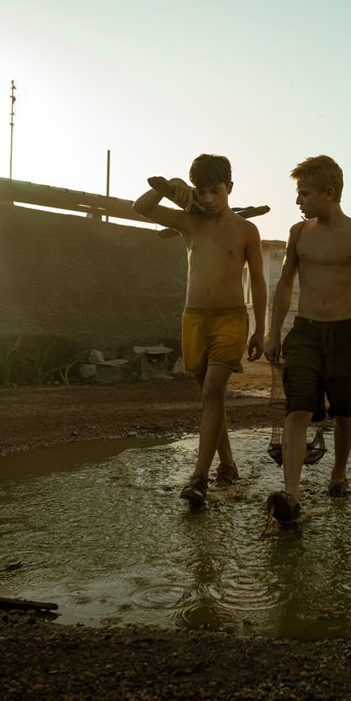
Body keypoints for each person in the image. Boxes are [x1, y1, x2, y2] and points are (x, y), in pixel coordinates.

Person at [263, 154, 351, 523]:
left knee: (344, 412)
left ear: (330, 192)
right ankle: (292, 494)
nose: (298, 201)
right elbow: (286, 283)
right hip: (304, 332)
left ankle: (338, 472)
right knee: (298, 409)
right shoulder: (299, 233)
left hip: (345, 335)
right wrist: (273, 332)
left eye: (304, 194)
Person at [133, 154, 266, 508]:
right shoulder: (190, 222)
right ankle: (228, 463)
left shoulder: (246, 230)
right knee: (211, 399)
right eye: (202, 192)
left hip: (230, 320)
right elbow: (141, 205)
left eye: (216, 191)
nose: (208, 199)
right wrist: (170, 188)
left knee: (212, 392)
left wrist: (261, 329)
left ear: (230, 188)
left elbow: (258, 281)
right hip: (194, 319)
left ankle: (198, 478)